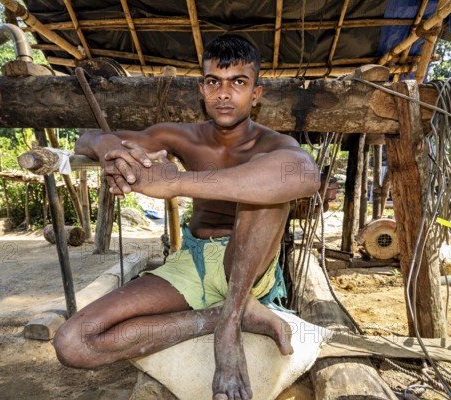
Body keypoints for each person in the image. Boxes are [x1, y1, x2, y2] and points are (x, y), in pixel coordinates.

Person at [54, 34, 320, 400]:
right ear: (202, 89)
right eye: (214, 82)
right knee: (72, 342)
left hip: (246, 265)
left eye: (238, 83)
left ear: (255, 94)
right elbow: (89, 137)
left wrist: (174, 183)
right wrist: (111, 150)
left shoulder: (273, 144)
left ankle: (229, 323)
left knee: (268, 196)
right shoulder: (182, 136)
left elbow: (305, 174)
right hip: (191, 262)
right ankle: (220, 316)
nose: (224, 94)